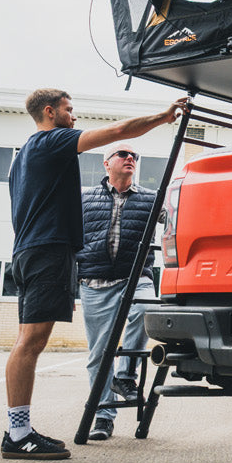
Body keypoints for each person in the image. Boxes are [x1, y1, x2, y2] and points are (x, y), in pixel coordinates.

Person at [3, 87, 187, 460]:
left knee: (28, 341)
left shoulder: (23, 156)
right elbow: (119, 131)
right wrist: (162, 118)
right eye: (70, 110)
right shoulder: (51, 140)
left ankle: (18, 430)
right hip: (47, 253)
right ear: (51, 112)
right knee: (31, 343)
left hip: (30, 251)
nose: (75, 117)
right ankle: (17, 434)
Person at [78, 144, 158, 440]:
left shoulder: (151, 199)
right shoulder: (85, 198)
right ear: (106, 164)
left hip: (135, 277)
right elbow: (72, 239)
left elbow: (176, 220)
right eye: (123, 154)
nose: (130, 158)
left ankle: (125, 377)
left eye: (134, 156)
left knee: (146, 308)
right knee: (99, 354)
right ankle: (103, 417)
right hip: (96, 282)